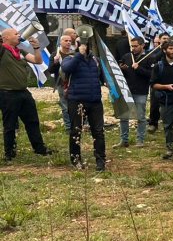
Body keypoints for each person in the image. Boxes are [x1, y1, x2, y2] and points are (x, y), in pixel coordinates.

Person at [0, 28, 53, 162]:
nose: (19, 36)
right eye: (16, 34)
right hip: (7, 93)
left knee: (32, 121)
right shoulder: (2, 51)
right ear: (5, 38)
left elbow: (38, 61)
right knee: (10, 124)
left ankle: (39, 148)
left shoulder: (20, 52)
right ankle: (9, 153)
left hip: (23, 92)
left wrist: (36, 48)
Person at [60, 39, 106, 171]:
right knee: (76, 131)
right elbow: (66, 68)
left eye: (85, 43)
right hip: (76, 101)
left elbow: (102, 76)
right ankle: (76, 160)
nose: (84, 46)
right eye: (80, 43)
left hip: (95, 101)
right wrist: (79, 55)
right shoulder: (70, 58)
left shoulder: (95, 60)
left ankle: (100, 161)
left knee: (98, 132)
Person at [118, 37, 153, 148]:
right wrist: (122, 68)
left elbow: (151, 74)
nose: (133, 48)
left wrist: (139, 69)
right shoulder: (127, 56)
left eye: (136, 46)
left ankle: (140, 140)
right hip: (127, 90)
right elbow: (120, 70)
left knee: (140, 117)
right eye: (132, 46)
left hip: (141, 91)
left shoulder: (149, 58)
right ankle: (124, 140)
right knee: (124, 116)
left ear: (142, 45)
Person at [48, 34, 75, 133]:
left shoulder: (74, 54)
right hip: (61, 83)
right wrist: (55, 61)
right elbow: (50, 70)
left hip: (74, 82)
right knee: (65, 106)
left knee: (76, 104)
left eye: (69, 41)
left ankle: (77, 125)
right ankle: (68, 127)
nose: (68, 42)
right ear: (61, 42)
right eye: (66, 40)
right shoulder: (55, 54)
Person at [147, 33, 171, 133]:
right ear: (160, 40)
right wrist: (162, 51)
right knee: (155, 104)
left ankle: (169, 123)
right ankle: (153, 123)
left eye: (167, 39)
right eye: (164, 38)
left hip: (169, 81)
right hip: (157, 82)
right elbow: (153, 59)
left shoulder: (172, 51)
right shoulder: (154, 51)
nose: (165, 40)